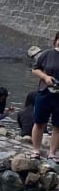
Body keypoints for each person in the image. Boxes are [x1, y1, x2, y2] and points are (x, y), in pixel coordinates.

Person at [31, 31, 59, 160]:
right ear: (56, 40)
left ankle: (52, 153)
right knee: (39, 122)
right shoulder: (48, 54)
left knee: (57, 126)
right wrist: (45, 77)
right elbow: (35, 69)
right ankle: (36, 150)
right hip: (44, 92)